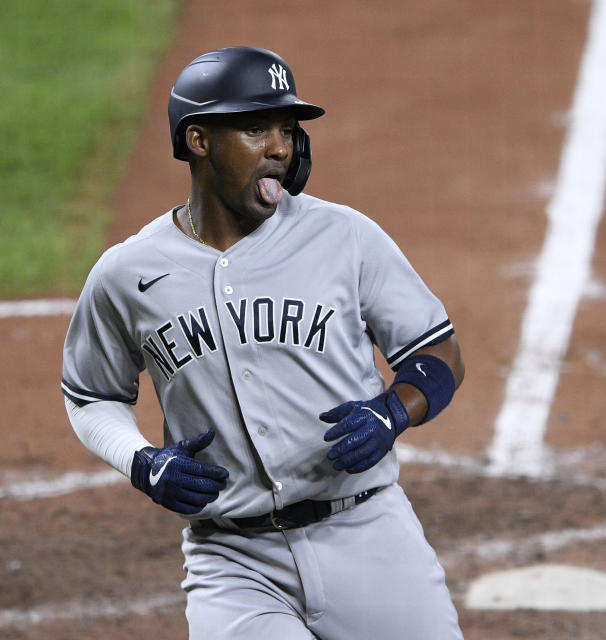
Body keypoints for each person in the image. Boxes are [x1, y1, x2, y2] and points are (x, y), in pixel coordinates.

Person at [62, 46, 465, 639]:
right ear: (198, 139)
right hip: (232, 559)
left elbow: (439, 354)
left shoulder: (345, 237)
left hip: (368, 535)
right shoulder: (128, 272)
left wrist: (391, 413)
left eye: (286, 129)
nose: (280, 147)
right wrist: (141, 461)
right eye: (255, 128)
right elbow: (92, 395)